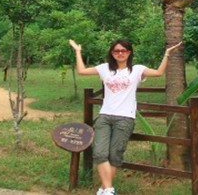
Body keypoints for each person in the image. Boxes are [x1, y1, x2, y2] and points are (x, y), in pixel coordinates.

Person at [69, 38, 182, 195]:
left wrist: (167, 54)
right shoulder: (104, 68)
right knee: (99, 153)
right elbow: (82, 71)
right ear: (112, 53)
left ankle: (104, 189)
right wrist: (78, 51)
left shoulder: (137, 70)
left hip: (125, 117)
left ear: (129, 53)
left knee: (115, 154)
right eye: (116, 51)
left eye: (124, 51)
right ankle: (109, 189)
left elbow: (158, 72)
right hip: (105, 116)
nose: (120, 53)